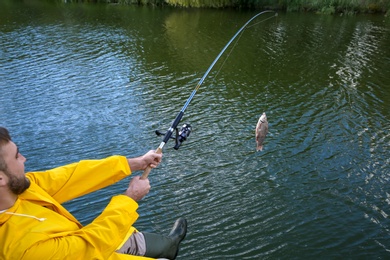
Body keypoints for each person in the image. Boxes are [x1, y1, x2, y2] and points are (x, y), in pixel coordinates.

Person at [0, 126, 187, 260]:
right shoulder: (20, 250)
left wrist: (134, 163)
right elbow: (91, 246)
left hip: (83, 245)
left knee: (133, 238)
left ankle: (169, 246)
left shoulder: (18, 188)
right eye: (17, 156)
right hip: (90, 250)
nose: (24, 159)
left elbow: (71, 177)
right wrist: (130, 199)